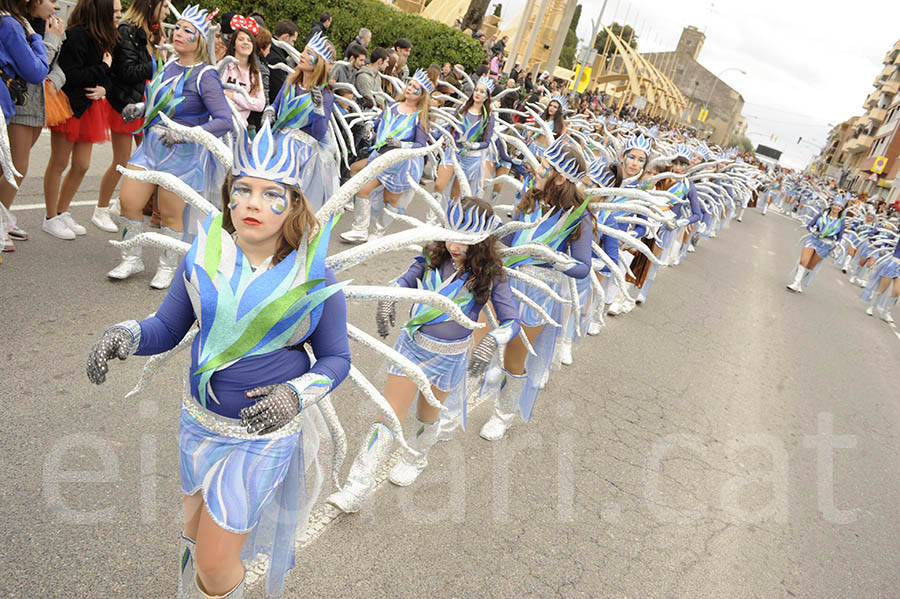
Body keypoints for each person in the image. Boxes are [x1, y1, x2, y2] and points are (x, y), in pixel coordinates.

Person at [86, 117, 351, 599]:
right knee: (194, 540)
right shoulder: (202, 256)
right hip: (197, 423)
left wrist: (296, 395)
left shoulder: (316, 276)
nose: (253, 202)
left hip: (261, 436)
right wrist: (124, 333)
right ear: (229, 195)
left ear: (294, 203)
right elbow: (167, 328)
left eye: (272, 193)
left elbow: (336, 359)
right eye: (243, 189)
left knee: (213, 559)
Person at [328, 197, 519, 512]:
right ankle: (356, 487)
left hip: (451, 357)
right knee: (388, 414)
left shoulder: (491, 275)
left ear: (482, 241)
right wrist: (388, 298)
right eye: (451, 235)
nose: (455, 245)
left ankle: (415, 458)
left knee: (427, 416)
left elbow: (512, 320)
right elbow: (403, 281)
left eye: (466, 240)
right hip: (412, 349)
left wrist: (493, 340)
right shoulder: (431, 258)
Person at [107, 4, 232, 288]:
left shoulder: (205, 75)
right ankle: (131, 257)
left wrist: (186, 134)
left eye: (187, 30)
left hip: (184, 153)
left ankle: (167, 265)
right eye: (177, 27)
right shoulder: (165, 64)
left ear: (198, 39)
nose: (178, 33)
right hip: (152, 145)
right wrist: (140, 108)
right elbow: (158, 101)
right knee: (129, 200)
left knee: (170, 212)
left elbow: (223, 119)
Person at [481, 139, 593, 441]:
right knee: (483, 336)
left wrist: (554, 259)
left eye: (545, 166)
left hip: (539, 292)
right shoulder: (530, 197)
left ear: (560, 176)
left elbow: (583, 267)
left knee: (515, 357)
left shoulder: (577, 216)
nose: (537, 168)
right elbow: (513, 238)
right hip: (505, 282)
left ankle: (502, 414)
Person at [41, 0, 118, 241]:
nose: (118, 14)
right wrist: (102, 69)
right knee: (59, 162)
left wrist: (104, 87)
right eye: (114, 9)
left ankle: (63, 211)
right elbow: (71, 75)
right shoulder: (75, 35)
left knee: (82, 164)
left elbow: (111, 74)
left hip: (89, 107)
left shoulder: (104, 37)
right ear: (100, 10)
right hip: (69, 106)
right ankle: (51, 216)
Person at [95, 0, 169, 234]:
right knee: (121, 160)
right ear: (150, 5)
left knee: (144, 158)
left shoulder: (150, 31)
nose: (167, 10)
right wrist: (156, 62)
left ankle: (122, 203)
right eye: (164, 5)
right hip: (124, 103)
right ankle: (101, 208)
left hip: (142, 103)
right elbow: (126, 71)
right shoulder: (127, 30)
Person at [340, 68, 432, 243]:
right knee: (362, 189)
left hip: (400, 165)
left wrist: (402, 144)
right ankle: (360, 229)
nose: (410, 89)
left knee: (390, 200)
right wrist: (370, 129)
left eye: (416, 88)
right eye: (410, 85)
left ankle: (378, 232)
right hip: (379, 158)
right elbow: (377, 124)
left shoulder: (421, 117)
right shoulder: (392, 106)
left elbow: (421, 145)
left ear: (421, 95)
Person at [0, 0, 53, 251]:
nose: (55, 6)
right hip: (13, 103)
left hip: (14, 103)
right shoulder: (11, 24)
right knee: (15, 166)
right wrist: (40, 40)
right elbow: (36, 71)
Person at [266, 30, 338, 212]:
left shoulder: (326, 93)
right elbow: (276, 104)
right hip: (276, 140)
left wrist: (319, 109)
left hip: (302, 153)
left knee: (287, 200)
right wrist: (270, 111)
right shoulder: (290, 81)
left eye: (309, 54)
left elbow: (319, 133)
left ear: (319, 63)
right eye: (304, 51)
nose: (302, 55)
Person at [432, 76, 495, 204]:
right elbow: (450, 127)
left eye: (482, 92)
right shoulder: (462, 108)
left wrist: (472, 145)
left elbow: (486, 142)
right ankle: (431, 217)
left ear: (487, 96)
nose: (478, 93)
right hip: (452, 151)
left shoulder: (488, 117)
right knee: (439, 185)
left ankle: (448, 221)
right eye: (476, 90)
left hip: (470, 158)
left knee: (456, 195)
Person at [786, 199, 845, 293]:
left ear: (841, 209)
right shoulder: (822, 215)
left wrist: (837, 243)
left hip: (825, 245)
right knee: (803, 261)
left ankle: (799, 283)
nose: (836, 207)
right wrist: (813, 231)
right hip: (813, 239)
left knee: (810, 266)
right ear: (831, 205)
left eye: (839, 206)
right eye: (835, 205)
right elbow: (809, 225)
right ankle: (795, 283)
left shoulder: (841, 222)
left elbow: (839, 237)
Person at [219, 16, 266, 127]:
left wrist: (233, 96)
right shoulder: (224, 65)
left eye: (249, 40)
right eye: (241, 39)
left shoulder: (255, 73)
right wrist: (247, 101)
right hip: (220, 123)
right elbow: (216, 95)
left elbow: (260, 105)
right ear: (234, 44)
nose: (245, 43)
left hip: (241, 127)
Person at [266, 19, 300, 105]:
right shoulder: (276, 59)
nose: (293, 45)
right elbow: (278, 90)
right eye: (293, 41)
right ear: (286, 37)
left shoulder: (269, 49)